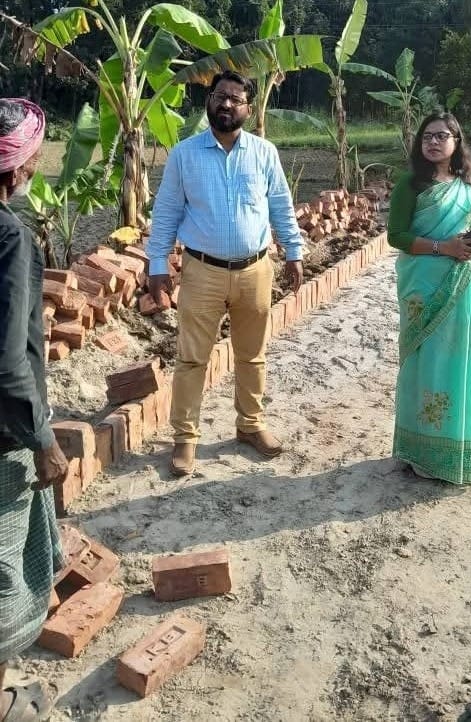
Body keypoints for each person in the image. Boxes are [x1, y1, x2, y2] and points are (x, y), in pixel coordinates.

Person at [147, 71, 304, 476]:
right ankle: (185, 438)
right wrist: (157, 264)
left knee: (252, 355)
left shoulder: (264, 153)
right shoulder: (184, 154)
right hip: (202, 270)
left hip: (255, 270)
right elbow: (166, 212)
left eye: (236, 99)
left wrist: (294, 252)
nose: (227, 104)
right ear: (209, 100)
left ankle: (250, 424)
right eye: (220, 96)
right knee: (191, 358)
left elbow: (281, 205)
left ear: (248, 108)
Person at [0, 98, 70, 721]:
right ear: (17, 168)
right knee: (4, 572)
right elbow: (7, 360)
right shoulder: (10, 238)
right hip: (4, 436)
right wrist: (43, 438)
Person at [386, 112, 471, 484]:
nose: (433, 142)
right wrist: (444, 247)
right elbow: (396, 236)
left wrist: (468, 245)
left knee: (459, 359)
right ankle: (421, 451)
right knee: (426, 361)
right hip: (422, 286)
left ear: (456, 141)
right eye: (427, 137)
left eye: (441, 136)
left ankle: (459, 445)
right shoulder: (411, 185)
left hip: (462, 282)